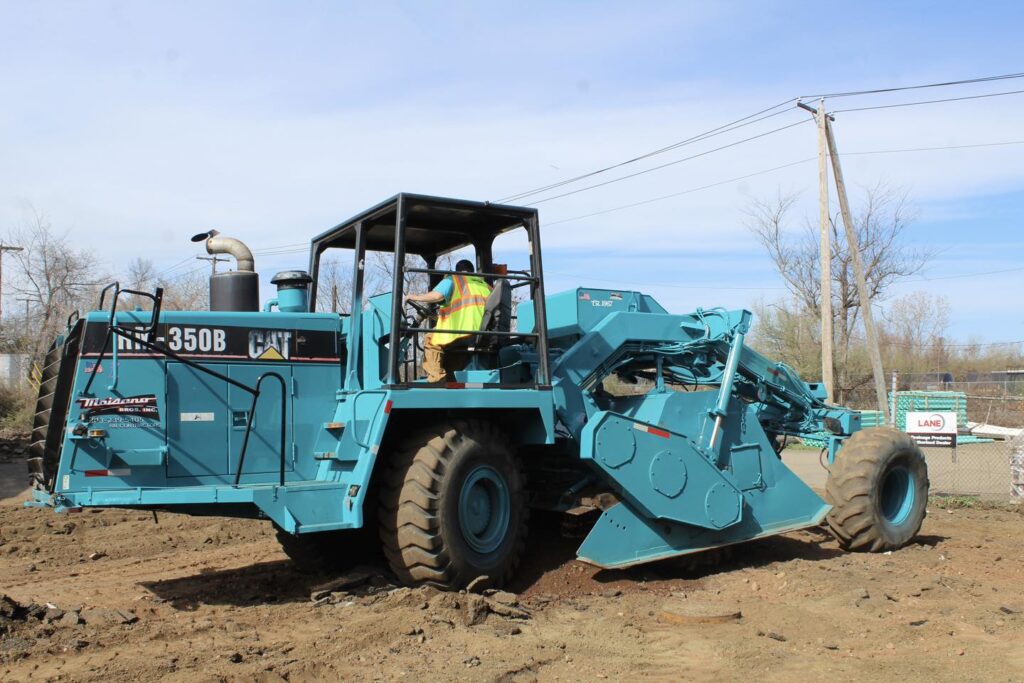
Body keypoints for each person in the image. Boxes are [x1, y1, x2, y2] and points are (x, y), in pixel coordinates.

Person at [404, 259, 491, 382]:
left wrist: (414, 297)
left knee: (431, 339)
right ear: (472, 271)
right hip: (485, 333)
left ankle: (437, 379)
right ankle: (451, 377)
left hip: (464, 330)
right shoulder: (485, 285)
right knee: (448, 345)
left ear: (457, 271)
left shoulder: (455, 279)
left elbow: (437, 296)